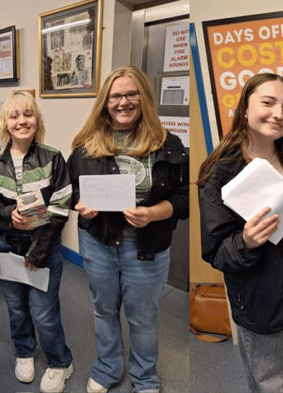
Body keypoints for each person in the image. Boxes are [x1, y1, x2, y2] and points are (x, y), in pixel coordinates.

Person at [198, 73, 283, 392]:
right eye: (267, 103)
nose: (278, 114)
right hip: (261, 283)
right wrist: (246, 241)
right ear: (244, 108)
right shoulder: (220, 173)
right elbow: (216, 252)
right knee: (271, 376)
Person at [67, 66, 189, 393]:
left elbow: (183, 198)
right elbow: (70, 190)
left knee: (143, 318)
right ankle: (107, 369)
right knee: (104, 311)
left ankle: (145, 378)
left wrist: (152, 213)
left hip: (146, 245)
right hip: (98, 243)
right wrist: (82, 204)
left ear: (144, 98)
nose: (124, 101)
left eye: (131, 94)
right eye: (116, 95)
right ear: (105, 101)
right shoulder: (85, 145)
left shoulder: (169, 143)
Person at [0, 90, 74, 392]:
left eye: (28, 114)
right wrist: (10, 215)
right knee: (16, 308)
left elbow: (61, 207)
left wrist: (37, 253)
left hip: (44, 249)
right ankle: (24, 352)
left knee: (45, 313)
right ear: (5, 124)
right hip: (7, 247)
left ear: (37, 119)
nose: (22, 121)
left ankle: (60, 361)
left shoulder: (53, 158)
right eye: (14, 116)